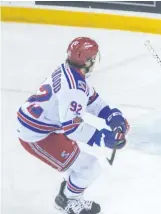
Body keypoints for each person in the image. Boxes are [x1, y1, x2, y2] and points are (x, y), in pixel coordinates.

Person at [16, 37, 129, 214]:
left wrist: (113, 117)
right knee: (89, 167)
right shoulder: (73, 88)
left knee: (82, 166)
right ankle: (67, 201)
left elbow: (92, 100)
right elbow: (72, 129)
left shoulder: (68, 70)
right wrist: (104, 138)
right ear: (88, 60)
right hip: (36, 136)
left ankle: (68, 193)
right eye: (93, 58)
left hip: (43, 126)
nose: (95, 61)